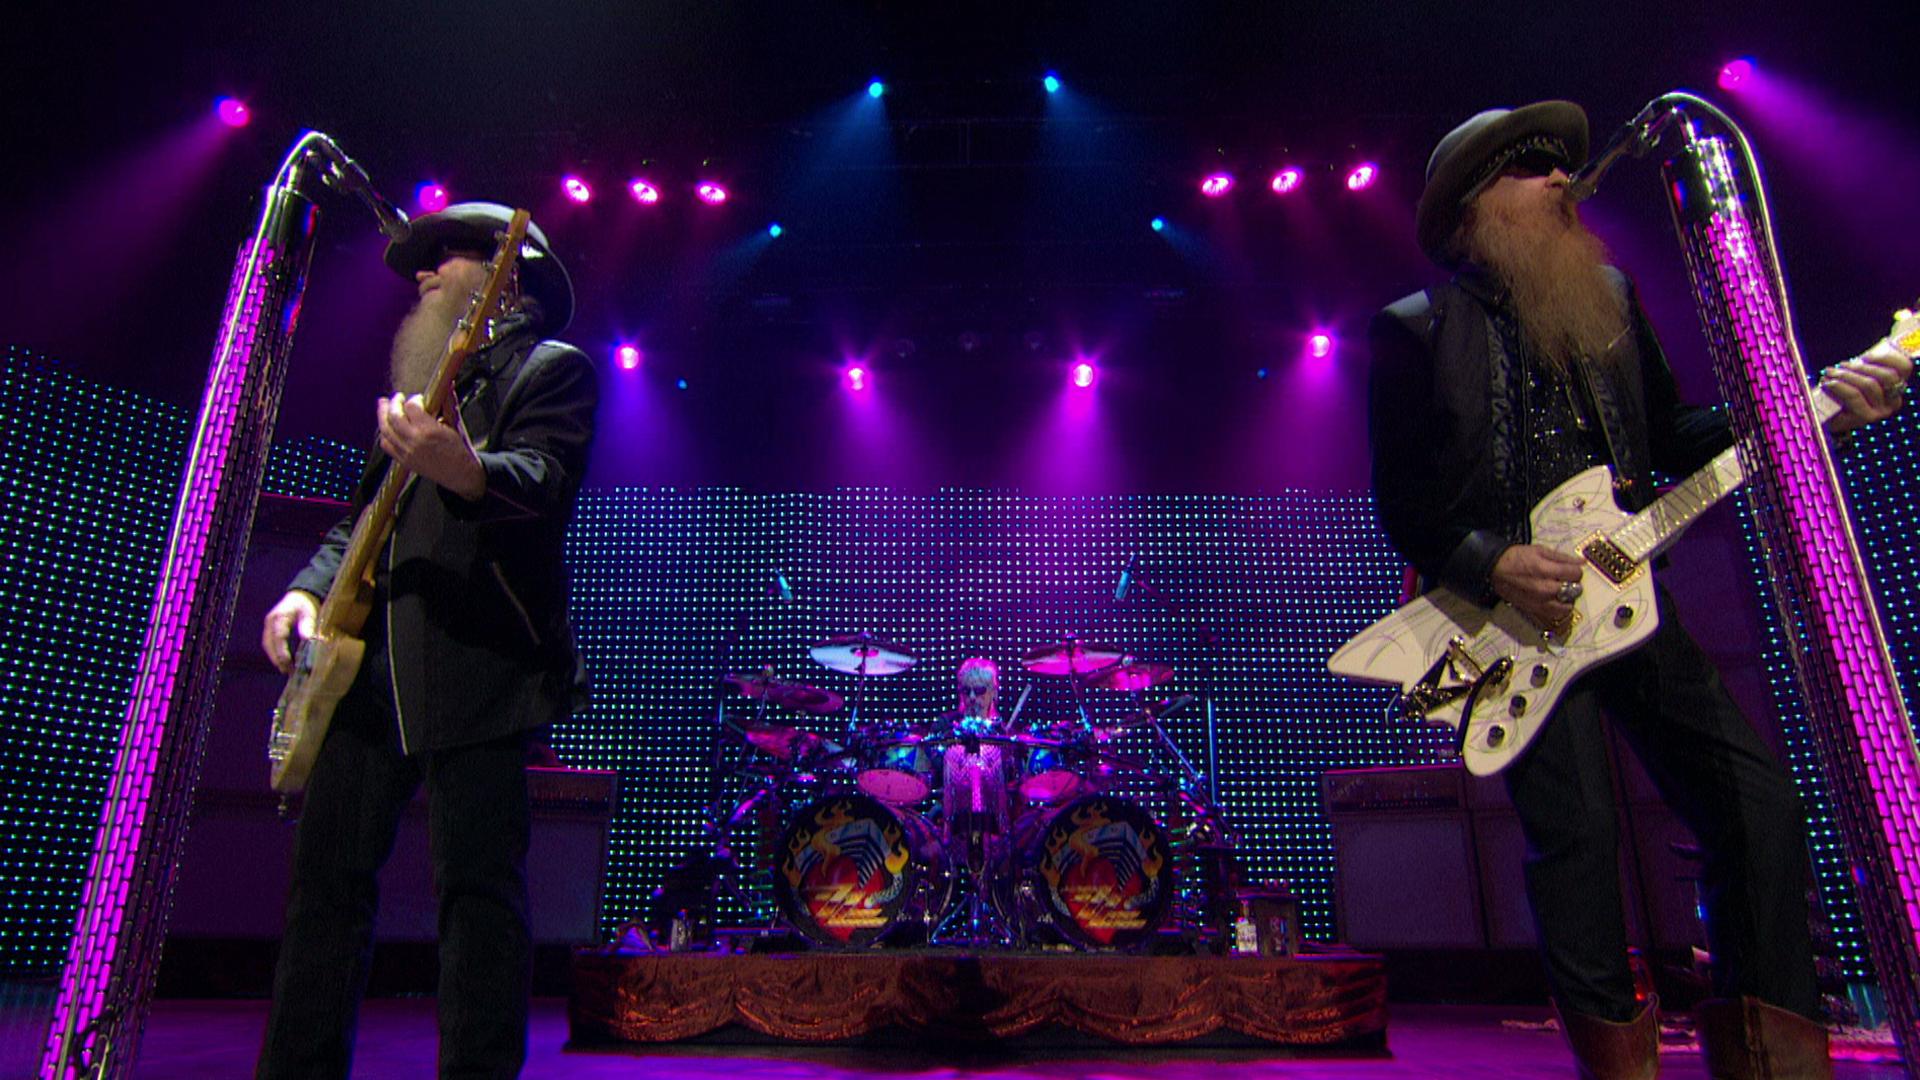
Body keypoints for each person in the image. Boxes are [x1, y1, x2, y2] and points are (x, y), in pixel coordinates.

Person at [1368, 102, 1910, 1079]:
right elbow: (1407, 508)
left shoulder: (1609, 298)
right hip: (1515, 623)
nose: (1559, 180)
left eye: (1561, 164)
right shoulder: (1415, 331)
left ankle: (1771, 1051)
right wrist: (1491, 562)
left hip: (1628, 595)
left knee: (1759, 803)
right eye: (1529, 166)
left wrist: (1811, 410)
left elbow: (1679, 435)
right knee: (1577, 840)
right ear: (1470, 207)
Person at [256, 202, 599, 1078]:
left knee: (477, 895)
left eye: (441, 258)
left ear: (502, 274)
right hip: (369, 666)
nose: (419, 275)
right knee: (323, 893)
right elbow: (364, 518)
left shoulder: (550, 370)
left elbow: (544, 484)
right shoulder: (421, 394)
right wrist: (304, 592)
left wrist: (466, 467)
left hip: (479, 664)